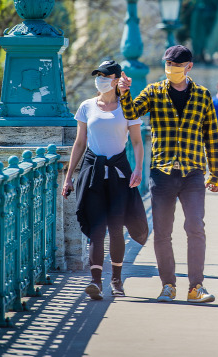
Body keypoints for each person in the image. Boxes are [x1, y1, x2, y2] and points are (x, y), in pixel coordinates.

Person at [117, 45, 218, 303]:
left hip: (193, 173)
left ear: (189, 67)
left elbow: (212, 136)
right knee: (163, 232)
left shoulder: (202, 95)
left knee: (195, 228)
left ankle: (196, 287)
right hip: (163, 173)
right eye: (167, 65)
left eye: (176, 66)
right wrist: (124, 92)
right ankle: (168, 286)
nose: (171, 70)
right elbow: (131, 113)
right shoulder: (154, 91)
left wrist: (217, 174)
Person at [62, 60, 148, 300]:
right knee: (96, 230)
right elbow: (79, 144)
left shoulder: (127, 108)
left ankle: (117, 281)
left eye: (105, 75)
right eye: (97, 74)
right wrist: (68, 178)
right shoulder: (87, 107)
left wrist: (138, 169)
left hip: (119, 174)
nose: (100, 79)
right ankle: (95, 282)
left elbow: (138, 142)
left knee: (116, 230)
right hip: (93, 174)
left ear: (116, 79)